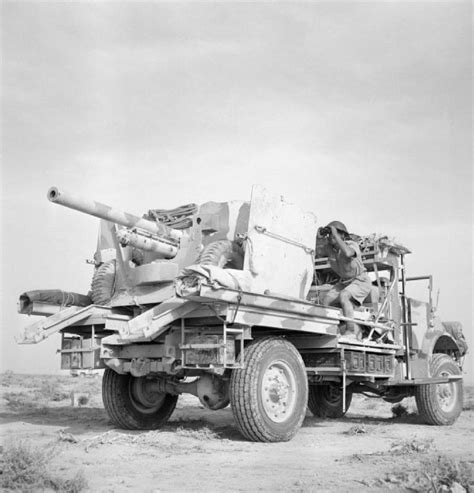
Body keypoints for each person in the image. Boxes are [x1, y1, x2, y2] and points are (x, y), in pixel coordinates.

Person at [320, 221, 372, 340]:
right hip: (345, 282)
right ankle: (331, 329)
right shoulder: (334, 251)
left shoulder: (351, 245)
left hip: (360, 281)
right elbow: (321, 250)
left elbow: (348, 253)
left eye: (335, 235)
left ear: (342, 235)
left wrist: (336, 235)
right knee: (326, 300)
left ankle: (351, 331)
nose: (332, 237)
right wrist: (322, 237)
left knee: (344, 296)